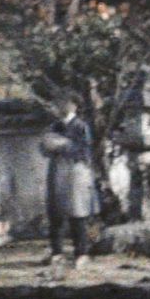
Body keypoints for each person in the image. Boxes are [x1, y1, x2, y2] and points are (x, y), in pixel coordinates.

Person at [41, 102, 101, 264]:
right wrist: (51, 144)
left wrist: (63, 144)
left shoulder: (81, 126)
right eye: (60, 102)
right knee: (55, 213)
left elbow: (84, 150)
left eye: (66, 102)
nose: (62, 106)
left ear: (74, 106)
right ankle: (56, 252)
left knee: (77, 213)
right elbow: (44, 148)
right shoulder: (54, 126)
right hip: (57, 170)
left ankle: (81, 253)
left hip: (77, 171)